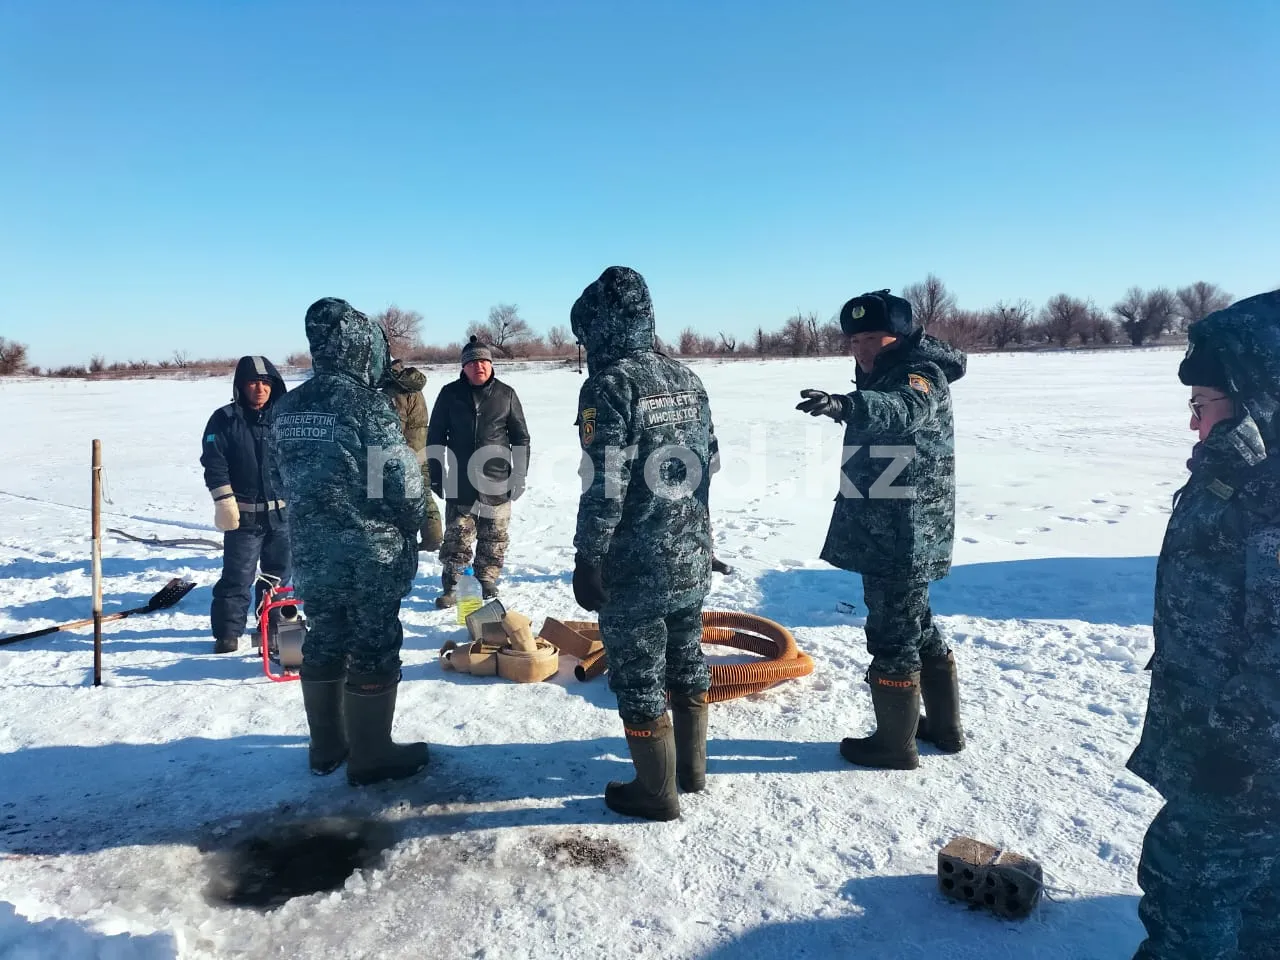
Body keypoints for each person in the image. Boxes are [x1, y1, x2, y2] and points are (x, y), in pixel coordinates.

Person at [1127, 290, 1280, 959]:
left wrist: (1238, 750)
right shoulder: (1242, 474)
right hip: (1226, 740)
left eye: (1203, 406)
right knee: (1259, 893)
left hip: (1241, 757)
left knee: (1186, 887)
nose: (1194, 426)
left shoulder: (1268, 491)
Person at [796, 289, 966, 770]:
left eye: (874, 336)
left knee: (892, 634)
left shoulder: (919, 375)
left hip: (903, 532)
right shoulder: (886, 372)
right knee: (918, 626)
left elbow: (902, 409)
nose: (863, 348)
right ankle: (944, 728)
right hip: (889, 524)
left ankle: (895, 744)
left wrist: (848, 406)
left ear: (902, 335)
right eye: (854, 340)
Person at [570, 266, 718, 821]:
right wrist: (697, 533)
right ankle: (693, 769)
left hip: (636, 561)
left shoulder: (609, 386)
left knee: (637, 672)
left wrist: (589, 556)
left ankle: (655, 792)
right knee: (685, 655)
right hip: (689, 551)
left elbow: (605, 480)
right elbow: (709, 463)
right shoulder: (686, 378)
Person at [272, 298, 428, 786]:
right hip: (369, 552)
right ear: (363, 349)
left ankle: (326, 747)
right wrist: (416, 516)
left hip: (313, 552)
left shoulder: (288, 405)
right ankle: (372, 753)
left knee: (324, 637)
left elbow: (276, 481)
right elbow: (398, 481)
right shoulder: (365, 405)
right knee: (372, 642)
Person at [426, 335, 531, 606]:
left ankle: (487, 579)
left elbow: (521, 438)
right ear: (463, 367)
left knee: (494, 537)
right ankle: (451, 585)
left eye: (484, 361)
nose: (479, 366)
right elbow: (435, 436)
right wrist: (436, 475)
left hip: (498, 479)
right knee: (456, 538)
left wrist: (519, 474)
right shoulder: (450, 394)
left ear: (491, 364)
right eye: (472, 362)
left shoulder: (506, 394)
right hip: (461, 480)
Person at [200, 355, 290, 654]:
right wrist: (224, 500)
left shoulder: (285, 419)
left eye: (266, 382)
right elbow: (214, 462)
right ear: (241, 386)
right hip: (244, 518)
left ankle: (273, 626)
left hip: (282, 515)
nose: (260, 388)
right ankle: (227, 632)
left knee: (279, 575)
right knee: (238, 577)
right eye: (253, 382)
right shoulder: (224, 420)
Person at [384, 358, 444, 551]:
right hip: (420, 446)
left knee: (401, 499)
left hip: (403, 451)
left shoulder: (394, 390)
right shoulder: (412, 385)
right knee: (423, 492)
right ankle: (433, 537)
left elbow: (394, 427)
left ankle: (409, 542)